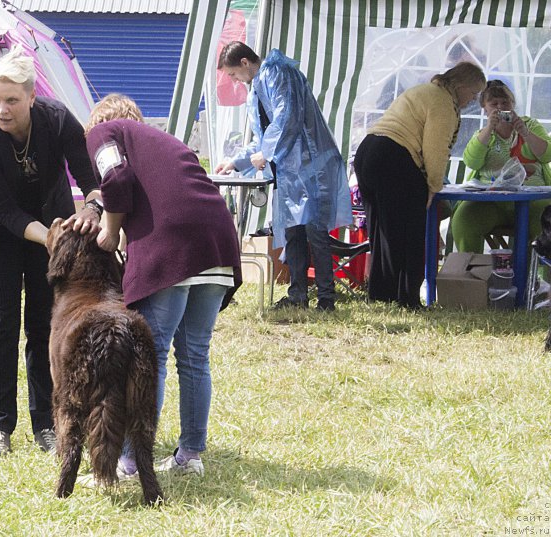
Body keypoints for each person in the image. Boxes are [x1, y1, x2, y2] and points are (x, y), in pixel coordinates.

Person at [66, 94, 241, 479]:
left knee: (151, 355)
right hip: (218, 242)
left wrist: (110, 232)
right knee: (195, 355)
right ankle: (190, 455)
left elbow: (115, 179)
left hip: (175, 249)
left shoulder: (102, 133)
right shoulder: (167, 143)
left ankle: (131, 460)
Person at [0, 47, 101, 456]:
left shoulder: (58, 120)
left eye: (11, 100)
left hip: (52, 231)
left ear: (31, 97)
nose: (1, 110)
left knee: (43, 328)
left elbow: (88, 175)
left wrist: (92, 210)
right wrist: (50, 237)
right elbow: (3, 210)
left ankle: (47, 424)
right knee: (1, 328)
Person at [214, 41, 351, 312]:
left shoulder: (277, 73)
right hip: (290, 172)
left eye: (232, 74)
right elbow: (265, 135)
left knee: (316, 233)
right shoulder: (258, 88)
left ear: (244, 63)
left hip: (309, 166)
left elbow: (286, 118)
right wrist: (236, 161)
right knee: (293, 233)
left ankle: (326, 298)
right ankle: (298, 294)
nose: (235, 81)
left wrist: (266, 153)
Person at [353, 61, 486, 309]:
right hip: (395, 157)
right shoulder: (443, 103)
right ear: (458, 86)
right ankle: (406, 299)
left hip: (368, 152)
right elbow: (436, 149)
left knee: (382, 231)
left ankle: (381, 294)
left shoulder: (423, 90)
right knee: (410, 234)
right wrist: (434, 187)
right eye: (473, 93)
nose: (473, 100)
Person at [451, 80, 551, 253]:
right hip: (491, 201)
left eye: (505, 103)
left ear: (513, 104)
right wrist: (489, 128)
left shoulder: (531, 125)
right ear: (485, 109)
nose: (501, 107)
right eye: (494, 104)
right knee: (464, 219)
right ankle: (472, 273)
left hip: (532, 200)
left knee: (545, 220)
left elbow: (547, 155)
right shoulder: (482, 134)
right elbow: (471, 161)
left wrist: (525, 133)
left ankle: (537, 275)